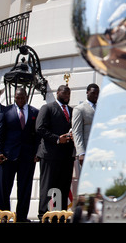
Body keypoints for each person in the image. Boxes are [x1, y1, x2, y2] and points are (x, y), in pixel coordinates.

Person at [0, 88, 39, 222]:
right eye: (17, 98)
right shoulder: (5, 112)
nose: (19, 100)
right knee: (4, 189)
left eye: (21, 98)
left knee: (25, 189)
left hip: (27, 157)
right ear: (14, 97)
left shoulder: (34, 112)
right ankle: (4, 216)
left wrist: (36, 153)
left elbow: (37, 136)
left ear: (26, 96)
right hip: (8, 157)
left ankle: (22, 217)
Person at [36, 85, 75, 220]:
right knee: (47, 188)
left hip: (66, 157)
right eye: (64, 94)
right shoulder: (47, 108)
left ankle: (60, 216)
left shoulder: (72, 110)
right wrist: (57, 139)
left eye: (69, 94)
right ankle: (44, 216)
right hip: (50, 156)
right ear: (58, 93)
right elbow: (40, 128)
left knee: (63, 189)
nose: (67, 96)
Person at [72, 83, 100, 167]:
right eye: (93, 93)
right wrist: (81, 152)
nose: (96, 96)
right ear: (87, 92)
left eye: (97, 93)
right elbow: (77, 132)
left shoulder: (101, 108)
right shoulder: (79, 109)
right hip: (87, 151)